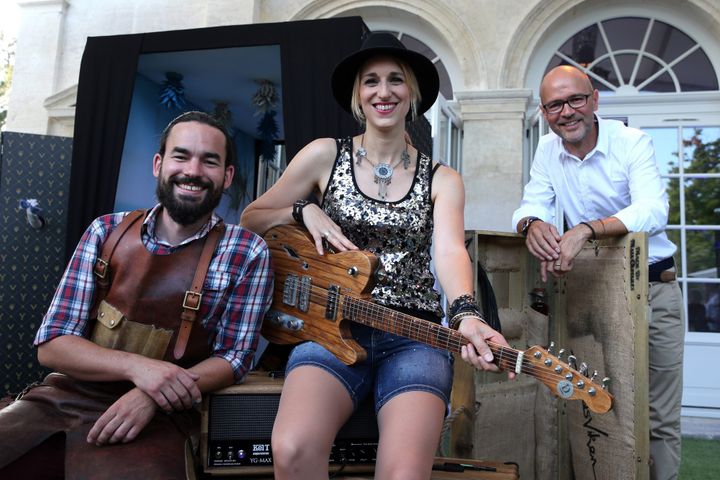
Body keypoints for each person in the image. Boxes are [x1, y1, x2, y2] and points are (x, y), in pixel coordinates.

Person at [240, 32, 513, 479]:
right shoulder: (324, 155)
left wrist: (465, 313)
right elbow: (251, 218)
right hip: (329, 326)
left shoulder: (443, 179)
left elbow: (448, 250)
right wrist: (301, 208)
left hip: (414, 335)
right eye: (371, 81)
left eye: (395, 81)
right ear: (357, 96)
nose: (383, 92)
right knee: (291, 449)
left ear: (412, 95)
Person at [0, 111, 274, 478]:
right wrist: (140, 369)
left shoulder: (248, 251)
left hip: (169, 413)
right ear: (159, 164)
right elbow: (52, 344)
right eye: (181, 156)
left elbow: (234, 358)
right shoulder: (105, 231)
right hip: (65, 398)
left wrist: (150, 394)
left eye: (209, 161)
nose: (192, 170)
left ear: (226, 177)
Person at [512, 65, 684, 480]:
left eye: (575, 100)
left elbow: (653, 211)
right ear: (544, 111)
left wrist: (585, 230)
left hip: (653, 286)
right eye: (555, 105)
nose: (566, 112)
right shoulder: (546, 150)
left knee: (657, 414)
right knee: (594, 401)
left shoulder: (632, 142)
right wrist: (532, 225)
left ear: (594, 100)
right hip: (589, 291)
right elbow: (529, 202)